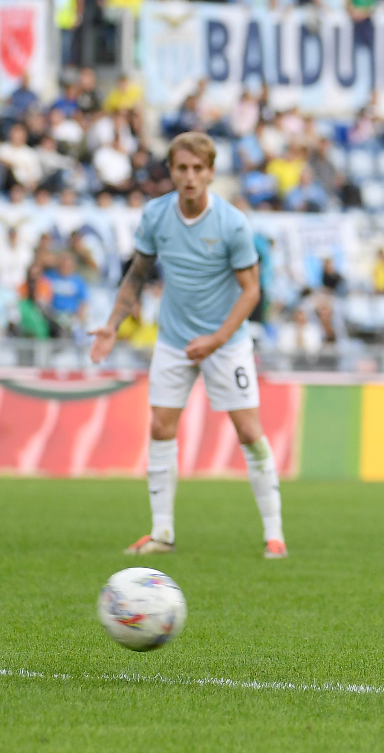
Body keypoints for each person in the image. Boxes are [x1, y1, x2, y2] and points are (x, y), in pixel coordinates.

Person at [90, 131, 287, 560]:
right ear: (172, 172)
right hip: (175, 340)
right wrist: (111, 325)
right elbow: (137, 274)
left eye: (198, 168)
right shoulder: (156, 215)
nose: (190, 176)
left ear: (211, 173)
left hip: (226, 342)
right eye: (182, 168)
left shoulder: (232, 223)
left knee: (249, 432)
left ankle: (274, 534)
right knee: (161, 427)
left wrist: (217, 339)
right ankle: (162, 532)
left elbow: (251, 291)